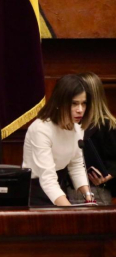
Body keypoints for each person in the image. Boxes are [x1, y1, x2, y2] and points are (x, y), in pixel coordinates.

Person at [22, 74, 93, 206]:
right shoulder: (41, 129)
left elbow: (76, 165)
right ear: (60, 102)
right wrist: (69, 212)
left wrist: (88, 197)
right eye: (74, 104)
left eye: (84, 104)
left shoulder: (77, 128)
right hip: (36, 192)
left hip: (59, 187)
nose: (80, 110)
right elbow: (47, 179)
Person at [69, 72, 116, 205]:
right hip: (69, 190)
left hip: (97, 191)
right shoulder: (71, 124)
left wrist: (107, 175)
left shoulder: (107, 125)